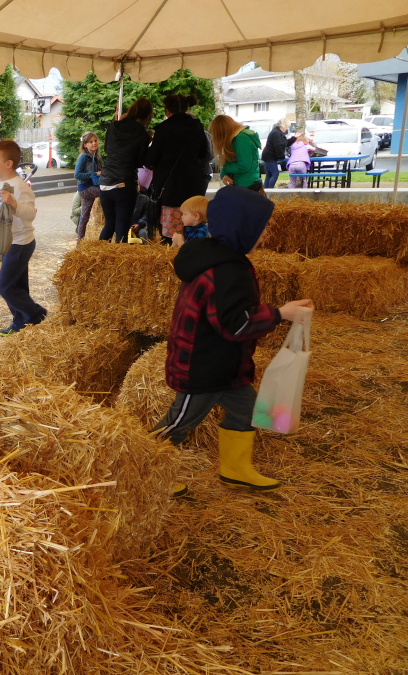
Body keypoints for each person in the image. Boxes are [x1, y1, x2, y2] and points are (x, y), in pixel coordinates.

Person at [152, 186, 313, 496]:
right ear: (243, 228)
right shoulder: (226, 271)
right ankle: (141, 469)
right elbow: (235, 326)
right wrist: (280, 313)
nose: (266, 234)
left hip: (224, 365)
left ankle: (235, 469)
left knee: (248, 410)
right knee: (177, 425)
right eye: (262, 227)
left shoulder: (221, 258)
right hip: (202, 368)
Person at [0, 140, 47, 336]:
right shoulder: (3, 183)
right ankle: (21, 323)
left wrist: (13, 203)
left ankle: (36, 314)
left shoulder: (20, 186)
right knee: (18, 285)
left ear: (9, 164)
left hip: (21, 243)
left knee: (4, 287)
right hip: (10, 243)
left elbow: (30, 213)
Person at [146, 94, 209, 241]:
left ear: (168, 111)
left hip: (169, 188)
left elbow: (150, 159)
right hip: (193, 187)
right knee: (193, 233)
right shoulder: (197, 126)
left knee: (170, 235)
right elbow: (203, 153)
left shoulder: (163, 129)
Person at [98, 97, 153, 243]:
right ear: (148, 117)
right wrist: (150, 141)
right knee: (122, 229)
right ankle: (117, 265)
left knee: (109, 225)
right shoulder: (142, 134)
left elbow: (106, 149)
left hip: (105, 182)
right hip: (124, 184)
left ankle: (99, 260)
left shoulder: (114, 126)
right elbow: (141, 162)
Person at [210, 115, 262, 192]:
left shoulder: (242, 139)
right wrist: (224, 174)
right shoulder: (236, 138)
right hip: (243, 182)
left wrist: (226, 168)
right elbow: (229, 161)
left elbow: (244, 165)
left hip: (247, 184)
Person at [74, 132, 101, 240]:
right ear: (85, 145)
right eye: (91, 142)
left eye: (95, 141)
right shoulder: (84, 157)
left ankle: (80, 241)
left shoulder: (97, 156)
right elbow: (77, 175)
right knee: (105, 192)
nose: (94, 143)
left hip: (92, 187)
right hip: (85, 188)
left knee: (84, 216)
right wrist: (94, 174)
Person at [261, 118, 295, 190]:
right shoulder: (277, 133)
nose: (287, 129)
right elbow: (278, 146)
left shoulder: (277, 132)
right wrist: (282, 156)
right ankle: (269, 191)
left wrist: (294, 138)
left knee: (269, 175)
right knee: (275, 174)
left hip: (268, 156)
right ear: (283, 126)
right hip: (270, 157)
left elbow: (284, 143)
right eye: (287, 127)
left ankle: (266, 191)